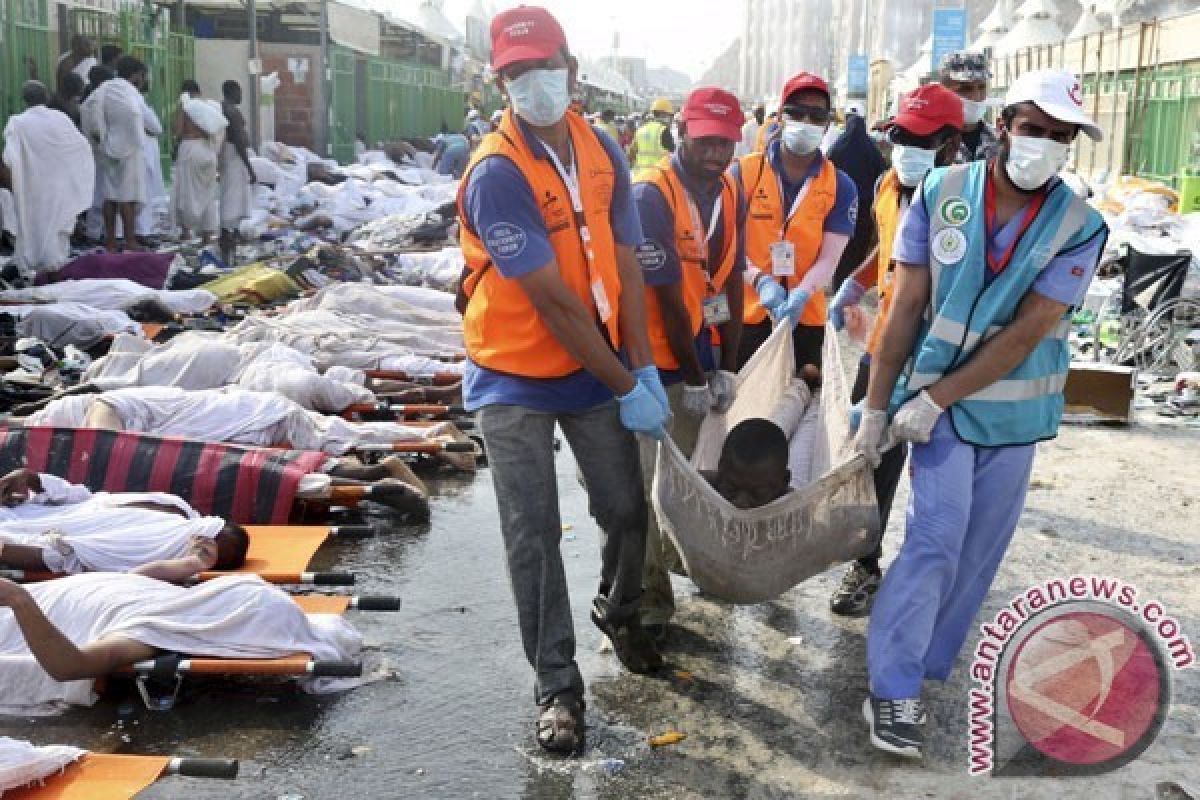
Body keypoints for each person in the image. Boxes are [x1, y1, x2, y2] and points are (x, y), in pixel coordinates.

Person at [854, 69, 1108, 759]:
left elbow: (1029, 332)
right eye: (1034, 130)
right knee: (935, 537)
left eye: (1060, 138)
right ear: (1002, 127)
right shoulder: (942, 192)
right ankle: (894, 686)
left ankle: (927, 664)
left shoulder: (1082, 227)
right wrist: (878, 408)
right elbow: (904, 305)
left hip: (1011, 417)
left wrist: (937, 396)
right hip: (936, 417)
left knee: (973, 557)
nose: (1044, 146)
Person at [458, 5, 668, 755]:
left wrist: (641, 362)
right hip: (513, 374)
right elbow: (551, 302)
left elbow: (629, 265)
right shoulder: (496, 171)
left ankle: (621, 608)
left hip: (599, 365)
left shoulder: (601, 146)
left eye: (544, 68)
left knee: (623, 508)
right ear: (502, 81)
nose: (534, 84)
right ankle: (557, 686)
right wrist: (624, 382)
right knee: (534, 533)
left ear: (571, 69)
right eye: (517, 73)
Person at [826, 83, 964, 618]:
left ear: (951, 145)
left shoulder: (967, 202)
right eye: (901, 136)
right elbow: (890, 245)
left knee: (939, 475)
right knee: (871, 452)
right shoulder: (889, 184)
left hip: (942, 354)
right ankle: (864, 564)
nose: (906, 148)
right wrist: (856, 282)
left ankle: (937, 584)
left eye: (921, 140)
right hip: (886, 342)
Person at [632, 86, 746, 639]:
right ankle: (651, 605)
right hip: (653, 364)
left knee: (690, 481)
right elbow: (667, 302)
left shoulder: (728, 192)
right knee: (650, 489)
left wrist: (729, 362)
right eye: (705, 139)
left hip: (698, 353)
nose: (716, 152)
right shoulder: (652, 196)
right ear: (682, 132)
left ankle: (683, 564)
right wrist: (697, 377)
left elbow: (726, 282)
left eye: (726, 141)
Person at [0, 570, 361, 709]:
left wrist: (18, 599)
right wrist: (191, 559)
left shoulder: (150, 631)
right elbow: (138, 575)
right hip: (57, 591)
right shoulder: (166, 596)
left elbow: (69, 667)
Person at [731, 71, 858, 372]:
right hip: (749, 314)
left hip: (806, 317)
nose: (806, 122)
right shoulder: (744, 174)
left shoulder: (840, 185)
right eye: (797, 113)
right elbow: (728, 245)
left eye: (816, 116)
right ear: (780, 116)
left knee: (801, 406)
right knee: (743, 409)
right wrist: (760, 281)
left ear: (828, 123)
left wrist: (803, 291)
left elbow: (830, 258)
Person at [0, 467, 249, 580]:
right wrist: (32, 479)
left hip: (15, 529)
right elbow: (87, 498)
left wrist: (5, 550)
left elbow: (61, 555)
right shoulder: (173, 507)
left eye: (209, 552)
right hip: (25, 507)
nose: (203, 543)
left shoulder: (153, 551)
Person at [1, 81, 94, 274]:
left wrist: (18, 179)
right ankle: (55, 262)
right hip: (59, 180)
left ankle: (33, 260)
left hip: (32, 181)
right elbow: (80, 146)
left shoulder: (17, 122)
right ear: (47, 97)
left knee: (34, 221)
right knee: (57, 220)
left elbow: (11, 156)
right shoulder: (60, 118)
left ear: (25, 100)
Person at [81, 55, 148, 253]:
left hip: (107, 148)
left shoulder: (104, 89)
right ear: (136, 75)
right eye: (142, 76)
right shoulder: (129, 92)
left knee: (110, 196)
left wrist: (100, 140)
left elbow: (87, 109)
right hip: (129, 149)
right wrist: (135, 138)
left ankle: (111, 241)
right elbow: (138, 116)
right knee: (128, 197)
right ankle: (130, 241)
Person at [828, 106, 888, 290]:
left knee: (840, 247)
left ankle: (839, 283)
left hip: (840, 206)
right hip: (864, 208)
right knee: (857, 248)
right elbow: (881, 175)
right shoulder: (872, 149)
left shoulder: (838, 146)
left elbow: (827, 172)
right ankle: (851, 284)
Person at [171, 80, 224, 244]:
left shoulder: (187, 106)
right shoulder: (209, 108)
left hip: (190, 149)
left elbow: (178, 130)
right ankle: (207, 234)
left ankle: (186, 231)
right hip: (207, 151)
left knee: (187, 192)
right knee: (207, 194)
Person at [219, 79, 256, 266]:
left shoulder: (222, 108)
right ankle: (227, 240)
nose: (241, 95)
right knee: (232, 199)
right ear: (232, 92)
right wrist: (250, 169)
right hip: (235, 158)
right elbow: (240, 141)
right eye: (239, 91)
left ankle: (229, 239)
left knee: (228, 195)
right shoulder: (233, 112)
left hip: (227, 156)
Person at [939, 50, 998, 164]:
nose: (976, 97)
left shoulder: (1000, 140)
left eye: (981, 87)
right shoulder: (932, 143)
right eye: (965, 89)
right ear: (944, 91)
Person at [135, 80, 166, 244]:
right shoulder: (136, 100)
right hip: (142, 151)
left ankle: (143, 229)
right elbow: (156, 127)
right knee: (145, 192)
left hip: (141, 151)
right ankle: (143, 230)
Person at [629, 97, 675, 175]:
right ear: (663, 114)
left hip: (639, 176)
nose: (671, 118)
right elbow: (673, 155)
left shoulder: (640, 129)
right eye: (670, 115)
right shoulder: (663, 130)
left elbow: (631, 153)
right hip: (657, 177)